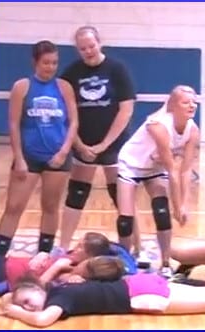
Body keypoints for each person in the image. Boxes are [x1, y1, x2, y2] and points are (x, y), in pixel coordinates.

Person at [0, 263, 205, 327]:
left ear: (39, 292)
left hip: (141, 297)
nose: (29, 306)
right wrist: (12, 299)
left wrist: (15, 312)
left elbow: (41, 321)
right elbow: (32, 294)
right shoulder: (58, 288)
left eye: (28, 300)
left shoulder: (58, 300)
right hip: (141, 283)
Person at [58, 25, 141, 254]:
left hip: (114, 143)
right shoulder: (71, 74)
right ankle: (62, 247)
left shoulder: (117, 69)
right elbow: (66, 114)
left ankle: (137, 248)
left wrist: (104, 144)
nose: (88, 51)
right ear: (77, 49)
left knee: (121, 196)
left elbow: (126, 110)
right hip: (83, 144)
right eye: (83, 48)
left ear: (99, 43)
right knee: (76, 193)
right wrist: (79, 145)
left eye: (91, 46)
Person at [0, 40, 78, 258]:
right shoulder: (22, 86)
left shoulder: (64, 87)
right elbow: (13, 123)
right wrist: (19, 158)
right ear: (35, 62)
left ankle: (43, 257)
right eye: (46, 62)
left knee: (50, 206)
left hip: (58, 158)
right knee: (14, 206)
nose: (50, 67)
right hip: (29, 156)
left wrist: (63, 152)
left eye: (54, 63)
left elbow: (74, 122)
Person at [115, 85, 200, 278]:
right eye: (186, 102)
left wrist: (182, 205)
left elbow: (186, 170)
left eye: (194, 102)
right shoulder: (159, 126)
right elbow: (172, 169)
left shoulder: (193, 130)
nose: (191, 105)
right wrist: (177, 206)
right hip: (132, 163)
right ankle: (125, 262)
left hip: (154, 167)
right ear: (173, 106)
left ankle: (166, 262)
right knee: (125, 220)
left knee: (161, 211)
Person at [0, 232, 111, 296]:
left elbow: (37, 287)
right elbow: (53, 255)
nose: (75, 248)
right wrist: (44, 254)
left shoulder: (73, 272)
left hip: (4, 275)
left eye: (80, 247)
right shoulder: (70, 256)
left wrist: (57, 266)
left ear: (90, 256)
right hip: (6, 261)